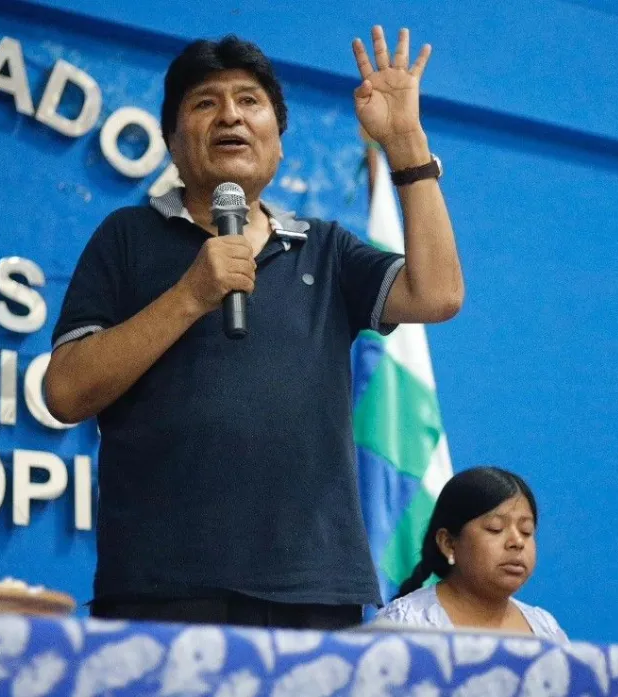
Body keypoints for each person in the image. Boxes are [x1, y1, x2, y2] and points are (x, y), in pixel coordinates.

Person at [44, 27, 463, 629]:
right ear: (171, 141)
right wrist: (190, 295)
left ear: (279, 141)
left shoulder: (326, 250)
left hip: (315, 589)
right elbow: (64, 392)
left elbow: (440, 294)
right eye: (205, 102)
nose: (230, 116)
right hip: (162, 590)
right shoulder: (126, 238)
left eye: (249, 101)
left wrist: (405, 145)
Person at [375, 467, 567, 641]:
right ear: (448, 543)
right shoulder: (404, 625)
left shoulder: (545, 630)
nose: (517, 542)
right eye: (495, 528)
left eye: (526, 531)